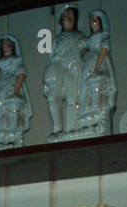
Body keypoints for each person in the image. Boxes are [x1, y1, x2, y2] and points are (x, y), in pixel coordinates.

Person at [43, 4, 84, 138]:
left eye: (70, 15)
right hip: (57, 68)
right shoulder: (56, 39)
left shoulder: (79, 36)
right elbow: (50, 58)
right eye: (65, 15)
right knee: (53, 97)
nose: (67, 18)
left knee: (72, 99)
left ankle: (71, 128)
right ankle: (57, 128)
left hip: (73, 68)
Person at [0, 34, 33, 148]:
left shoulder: (16, 60)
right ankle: (1, 137)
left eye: (7, 44)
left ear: (12, 46)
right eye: (2, 44)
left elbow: (21, 73)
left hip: (11, 85)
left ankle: (16, 137)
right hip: (0, 85)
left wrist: (15, 91)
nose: (5, 46)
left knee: (12, 111)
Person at [77, 10, 117, 134]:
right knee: (85, 89)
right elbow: (80, 45)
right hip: (88, 65)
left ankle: (100, 116)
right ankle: (87, 115)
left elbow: (104, 49)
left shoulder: (103, 35)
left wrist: (96, 67)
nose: (92, 22)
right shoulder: (89, 39)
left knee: (97, 88)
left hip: (97, 64)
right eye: (91, 20)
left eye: (95, 19)